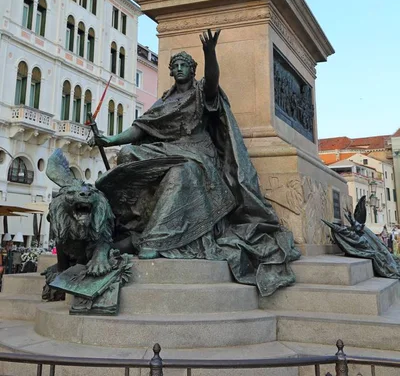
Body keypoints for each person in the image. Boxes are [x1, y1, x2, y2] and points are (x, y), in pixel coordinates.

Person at [91, 29, 300, 296]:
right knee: (128, 156)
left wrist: (210, 53)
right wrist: (110, 141)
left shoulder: (201, 92)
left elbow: (212, 82)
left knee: (183, 173)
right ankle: (128, 223)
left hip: (199, 154)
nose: (179, 69)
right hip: (170, 149)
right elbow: (140, 129)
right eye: (175, 65)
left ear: (192, 70)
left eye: (184, 65)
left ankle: (157, 238)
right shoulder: (165, 101)